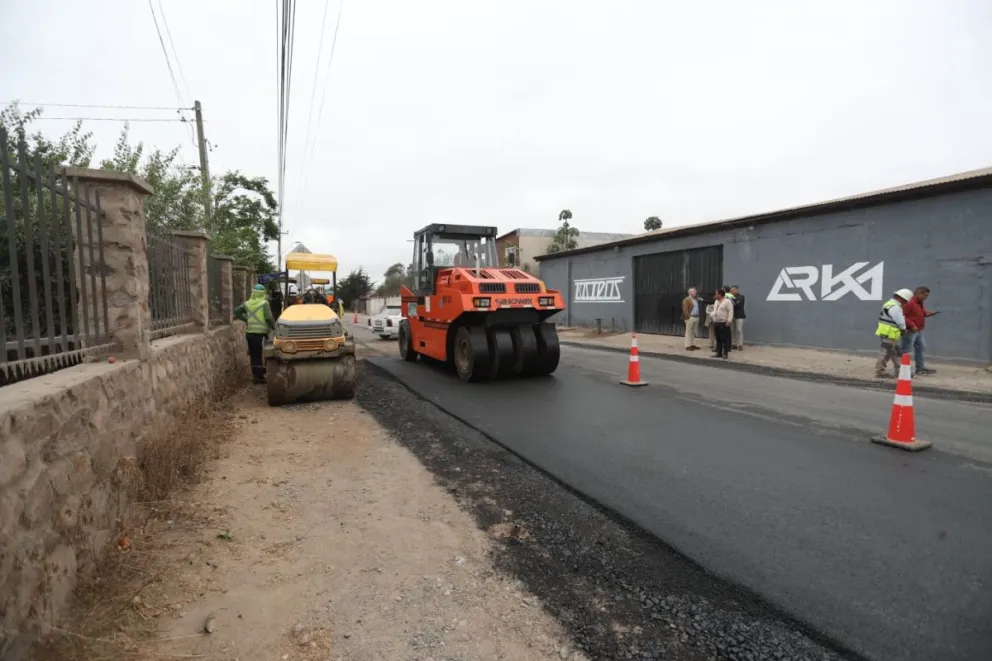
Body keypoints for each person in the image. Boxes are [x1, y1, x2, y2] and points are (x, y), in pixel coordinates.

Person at [233, 284, 277, 384]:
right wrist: (275, 328)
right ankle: (261, 374)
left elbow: (236, 312)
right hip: (260, 334)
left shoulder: (247, 304)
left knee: (254, 355)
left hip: (249, 333)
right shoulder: (264, 303)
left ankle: (256, 376)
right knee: (261, 354)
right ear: (262, 293)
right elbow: (269, 318)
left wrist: (246, 319)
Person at [874, 288, 911, 378]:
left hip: (887, 332)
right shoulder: (895, 307)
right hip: (890, 333)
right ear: (902, 299)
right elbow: (900, 321)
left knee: (894, 352)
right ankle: (880, 372)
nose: (906, 303)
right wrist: (903, 329)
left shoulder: (888, 304)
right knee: (886, 352)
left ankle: (900, 371)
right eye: (906, 301)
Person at [901, 286, 938, 375]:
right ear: (918, 294)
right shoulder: (909, 302)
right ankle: (905, 371)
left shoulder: (919, 302)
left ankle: (920, 368)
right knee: (906, 350)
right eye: (925, 296)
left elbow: (920, 312)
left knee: (921, 347)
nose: (926, 298)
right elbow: (902, 315)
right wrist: (912, 325)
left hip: (918, 330)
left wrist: (927, 313)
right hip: (910, 331)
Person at [710, 289, 734, 359]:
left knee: (725, 339)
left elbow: (730, 311)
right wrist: (712, 315)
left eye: (716, 294)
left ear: (720, 294)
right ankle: (719, 353)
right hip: (716, 322)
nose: (715, 295)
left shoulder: (727, 301)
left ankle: (725, 353)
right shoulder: (716, 301)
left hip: (724, 323)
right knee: (718, 339)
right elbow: (714, 311)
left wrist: (729, 321)